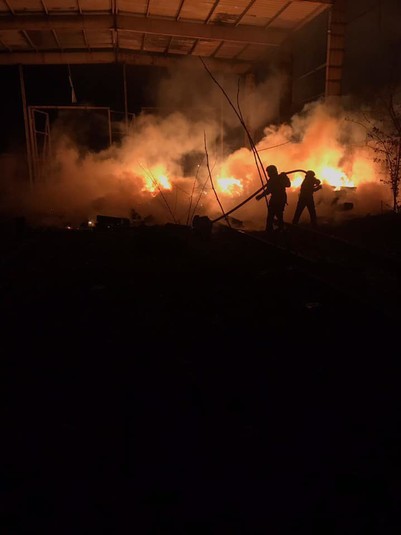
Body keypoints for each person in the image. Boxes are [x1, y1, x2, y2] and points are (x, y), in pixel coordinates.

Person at [256, 164, 291, 232]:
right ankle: (276, 228)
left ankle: (273, 230)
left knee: (273, 215)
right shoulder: (272, 180)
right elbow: (268, 190)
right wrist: (261, 196)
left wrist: (285, 177)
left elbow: (288, 185)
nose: (268, 174)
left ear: (272, 172)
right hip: (277, 199)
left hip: (278, 199)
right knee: (276, 215)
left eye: (268, 172)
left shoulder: (280, 178)